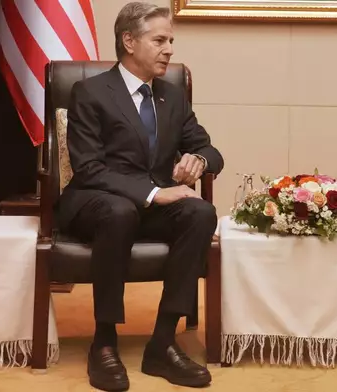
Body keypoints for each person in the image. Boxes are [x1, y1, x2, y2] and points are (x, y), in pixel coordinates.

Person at [57, 2, 223, 391]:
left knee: (200, 213)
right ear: (129, 41)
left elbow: (210, 149)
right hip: (96, 200)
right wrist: (155, 192)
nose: (169, 49)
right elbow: (89, 169)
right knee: (118, 212)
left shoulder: (172, 97)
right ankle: (104, 341)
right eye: (160, 40)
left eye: (171, 41)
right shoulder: (90, 92)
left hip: (145, 206)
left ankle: (163, 343)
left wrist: (197, 160)